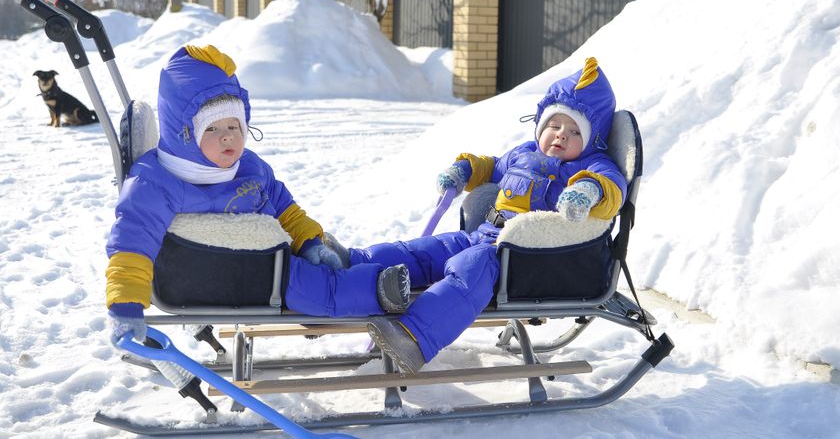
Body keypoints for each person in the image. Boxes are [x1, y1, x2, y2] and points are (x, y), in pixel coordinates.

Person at [106, 45, 410, 343]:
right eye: (211, 129)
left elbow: (285, 209)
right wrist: (125, 306)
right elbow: (132, 243)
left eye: (234, 125)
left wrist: (310, 242)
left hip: (269, 262)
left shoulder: (249, 166)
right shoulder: (157, 182)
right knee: (325, 289)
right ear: (184, 135)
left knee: (345, 261)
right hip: (236, 276)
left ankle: (428, 258)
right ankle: (383, 290)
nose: (227, 136)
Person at [351, 57, 628, 373]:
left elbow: (611, 189)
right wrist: (465, 170)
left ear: (592, 140)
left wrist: (587, 193)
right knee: (420, 252)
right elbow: (492, 166)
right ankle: (349, 268)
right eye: (554, 125)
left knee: (468, 271)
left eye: (574, 131)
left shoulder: (592, 166)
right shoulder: (524, 153)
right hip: (480, 235)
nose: (561, 135)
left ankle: (413, 338)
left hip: (519, 260)